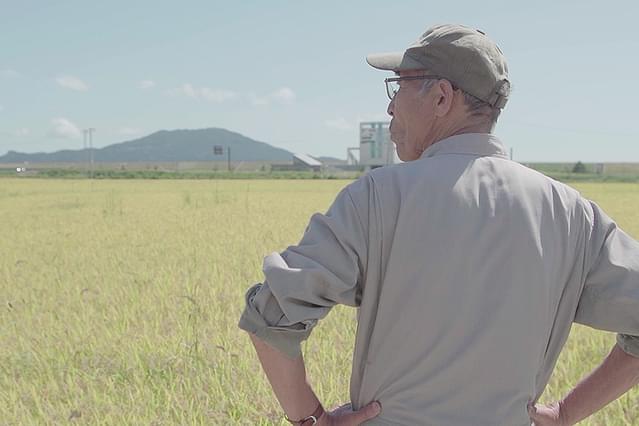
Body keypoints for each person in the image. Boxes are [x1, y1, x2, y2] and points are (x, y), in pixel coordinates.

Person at [238, 23, 639, 425]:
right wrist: (568, 413)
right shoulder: (570, 212)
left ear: (443, 97)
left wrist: (312, 419)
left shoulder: (377, 197)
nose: (391, 107)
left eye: (399, 86)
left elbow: (270, 318)